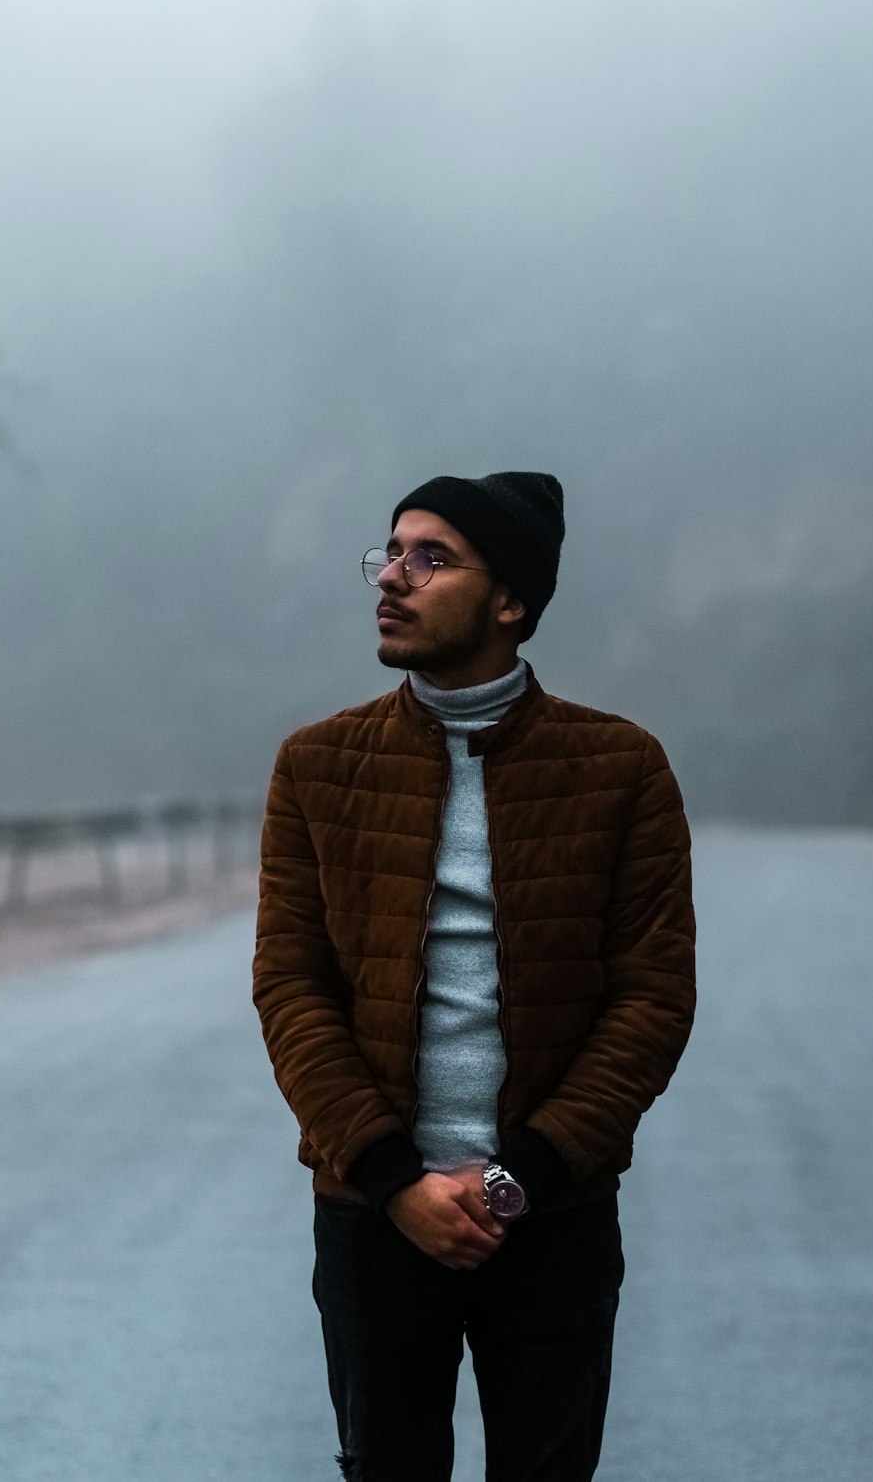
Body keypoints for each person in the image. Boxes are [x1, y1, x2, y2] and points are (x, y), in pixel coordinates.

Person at [253, 471, 696, 1482]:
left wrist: (514, 1181)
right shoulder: (316, 766)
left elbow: (650, 996)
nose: (392, 577)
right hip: (374, 1215)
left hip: (551, 1215)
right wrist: (393, 1180)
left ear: (511, 603)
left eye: (431, 558)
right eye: (389, 552)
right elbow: (291, 986)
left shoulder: (620, 767)